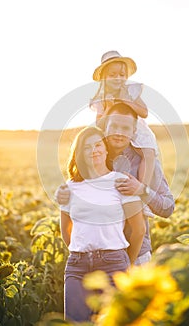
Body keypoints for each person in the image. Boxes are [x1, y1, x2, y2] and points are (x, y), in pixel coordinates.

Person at [57, 103, 175, 266]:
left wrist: (141, 190)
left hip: (138, 257)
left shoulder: (146, 163)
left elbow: (168, 207)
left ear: (134, 131)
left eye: (126, 128)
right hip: (95, 261)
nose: (119, 133)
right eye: (114, 126)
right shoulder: (93, 157)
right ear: (105, 126)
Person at [60, 126, 145, 322]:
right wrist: (80, 252)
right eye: (87, 147)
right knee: (75, 322)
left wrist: (126, 263)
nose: (94, 151)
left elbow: (138, 230)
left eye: (98, 145)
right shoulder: (69, 187)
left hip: (114, 263)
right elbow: (65, 229)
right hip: (77, 267)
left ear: (106, 149)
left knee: (113, 321)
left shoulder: (121, 182)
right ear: (79, 153)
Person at [90, 50, 158, 187]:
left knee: (148, 152)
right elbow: (99, 123)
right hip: (112, 130)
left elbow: (144, 112)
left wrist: (125, 101)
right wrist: (108, 107)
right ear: (104, 77)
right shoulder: (101, 97)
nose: (118, 78)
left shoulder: (131, 91)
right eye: (112, 75)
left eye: (122, 75)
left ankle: (142, 187)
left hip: (134, 127)